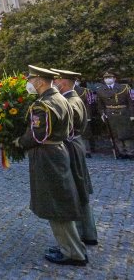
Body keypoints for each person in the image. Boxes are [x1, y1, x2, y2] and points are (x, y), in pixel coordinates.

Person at [15, 65, 87, 266]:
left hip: (48, 155)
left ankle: (72, 252)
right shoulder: (61, 99)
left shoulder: (43, 104)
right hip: (58, 151)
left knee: (56, 204)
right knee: (60, 200)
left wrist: (19, 142)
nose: (29, 83)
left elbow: (38, 134)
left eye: (31, 79)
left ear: (39, 80)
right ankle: (72, 245)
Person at [51, 68, 98, 247]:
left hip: (70, 148)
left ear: (63, 82)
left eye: (56, 80)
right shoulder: (74, 99)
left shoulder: (70, 101)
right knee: (80, 189)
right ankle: (89, 233)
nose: (54, 83)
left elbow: (62, 127)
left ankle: (79, 236)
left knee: (74, 190)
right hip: (75, 145)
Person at [95, 71, 134, 159]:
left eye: (110, 78)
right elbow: (100, 104)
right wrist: (102, 114)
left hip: (124, 112)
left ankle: (130, 152)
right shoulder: (100, 90)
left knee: (127, 133)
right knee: (115, 134)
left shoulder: (124, 87)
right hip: (110, 113)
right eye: (106, 78)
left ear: (114, 79)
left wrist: (132, 114)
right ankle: (121, 152)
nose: (108, 79)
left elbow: (130, 102)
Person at [74, 79, 97, 157]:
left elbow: (90, 104)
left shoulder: (85, 91)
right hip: (72, 114)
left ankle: (87, 150)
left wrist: (89, 115)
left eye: (77, 81)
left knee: (86, 133)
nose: (75, 82)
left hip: (84, 114)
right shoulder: (65, 90)